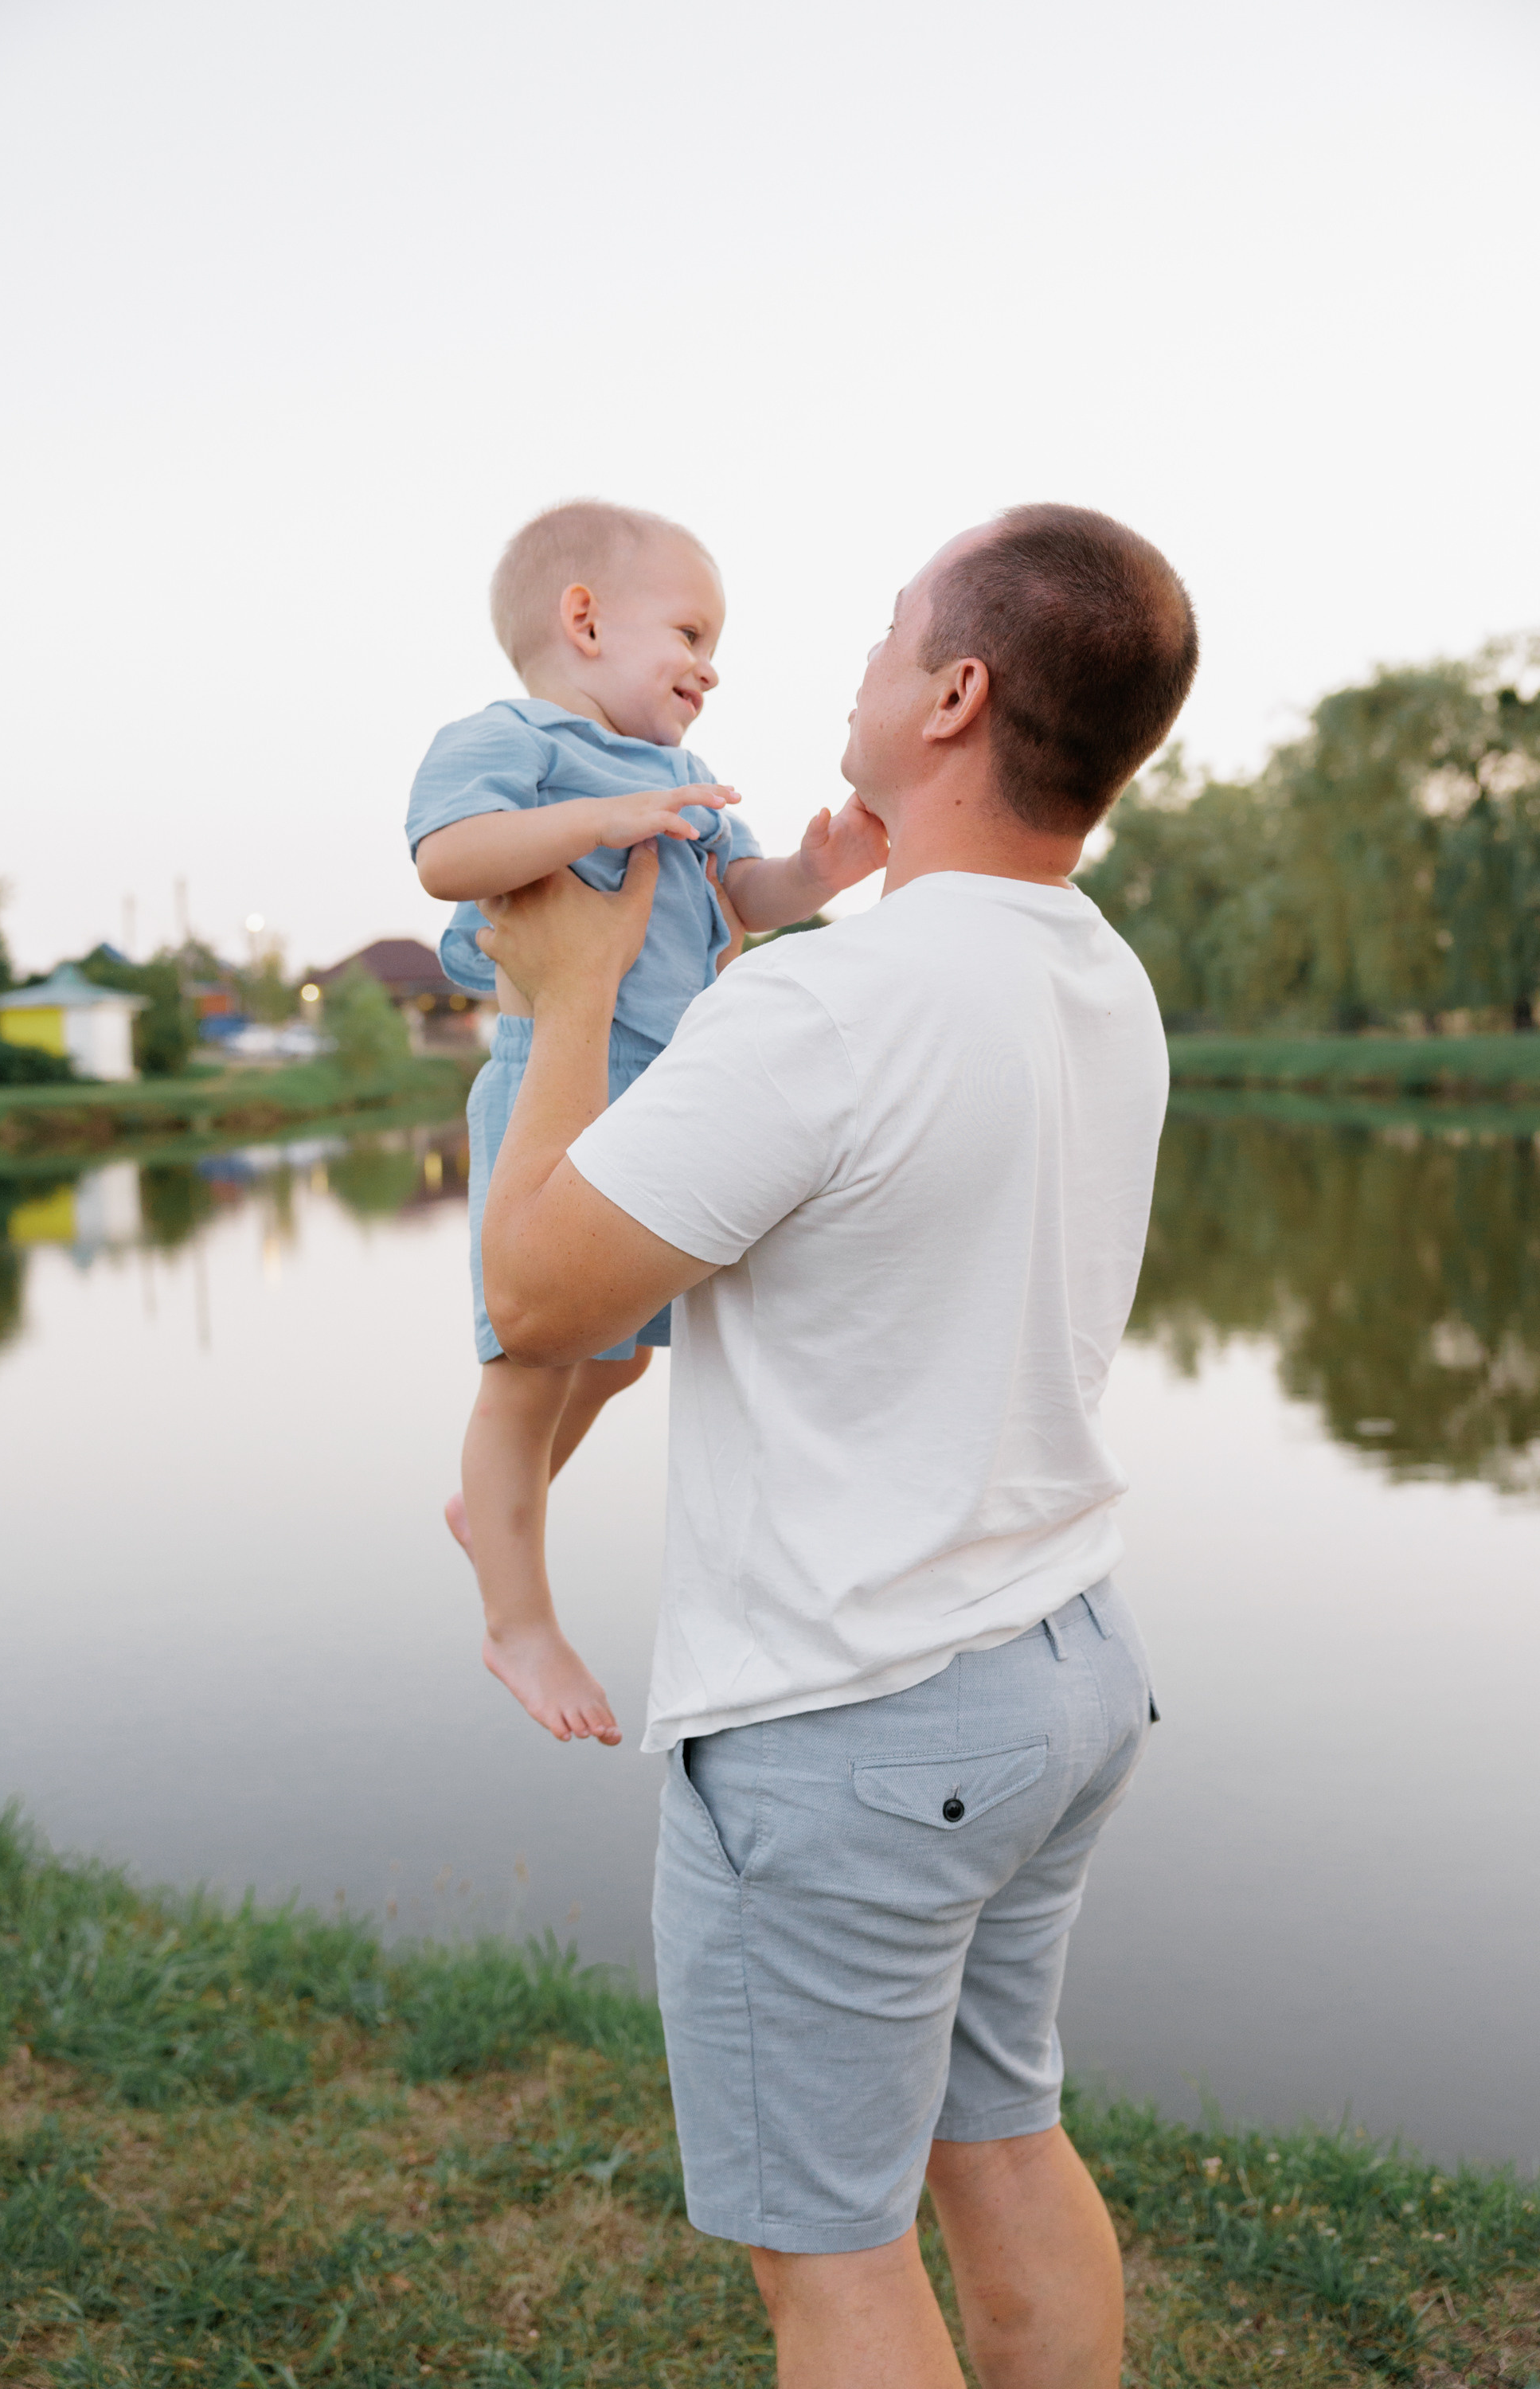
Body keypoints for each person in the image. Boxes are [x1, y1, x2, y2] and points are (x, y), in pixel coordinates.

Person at [473, 502, 1198, 2389]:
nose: (855, 669)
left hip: (852, 1724)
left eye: (887, 638)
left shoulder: (834, 1003)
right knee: (999, 2143)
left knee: (837, 2269)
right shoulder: (1097, 975)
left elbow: (541, 1291)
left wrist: (564, 1006)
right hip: (1059, 1673)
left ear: (955, 695)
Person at [405, 500, 887, 1749]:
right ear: (583, 620)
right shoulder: (514, 742)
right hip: (548, 1079)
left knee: (616, 1352)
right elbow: (449, 860)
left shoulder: (680, 782)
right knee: (529, 1368)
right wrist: (592, 824)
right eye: (689, 630)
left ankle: (491, 1504)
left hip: (665, 1091)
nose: (709, 666)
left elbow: (736, 892)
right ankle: (519, 1618)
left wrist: (818, 877)